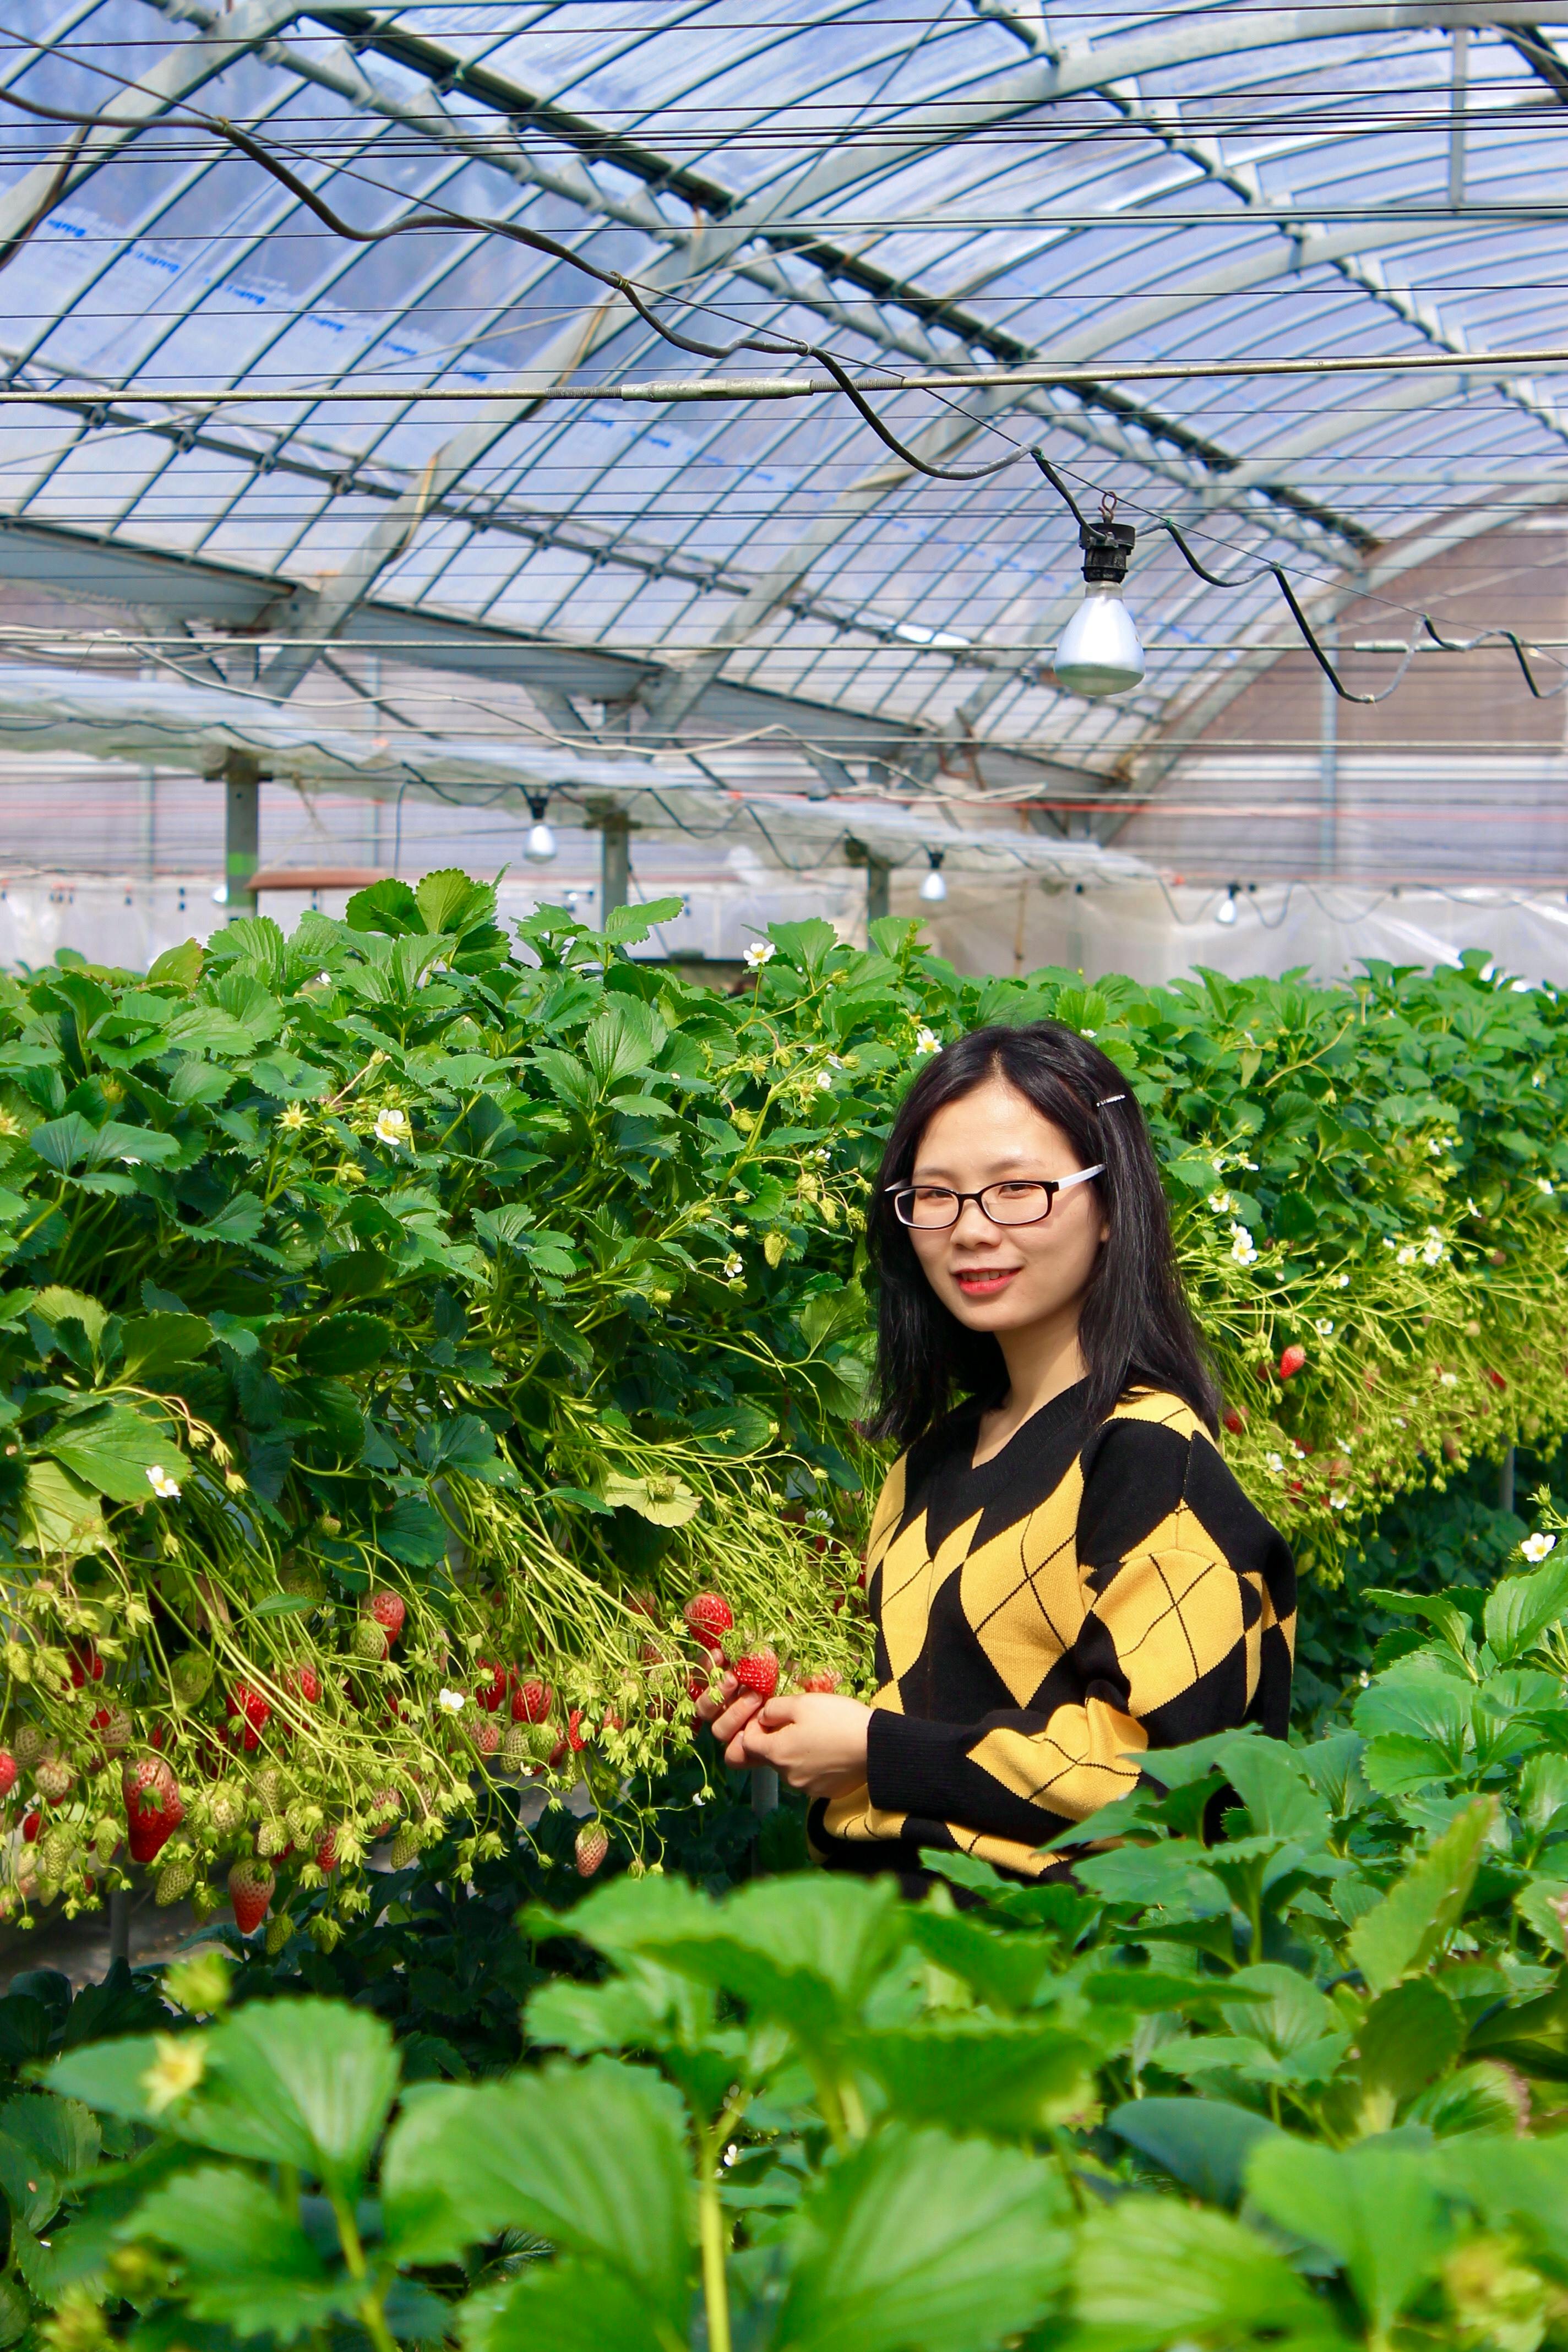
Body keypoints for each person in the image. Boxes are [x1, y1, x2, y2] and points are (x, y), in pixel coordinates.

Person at [705, 1020, 1295, 1884]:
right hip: (887, 1964)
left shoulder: (1146, 1456)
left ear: (1108, 1206)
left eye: (1018, 1189)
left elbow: (1170, 1784)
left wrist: (875, 1748)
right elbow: (946, 1711)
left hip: (1061, 1977)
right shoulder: (930, 1463)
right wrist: (802, 1725)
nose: (971, 1229)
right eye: (934, 1195)